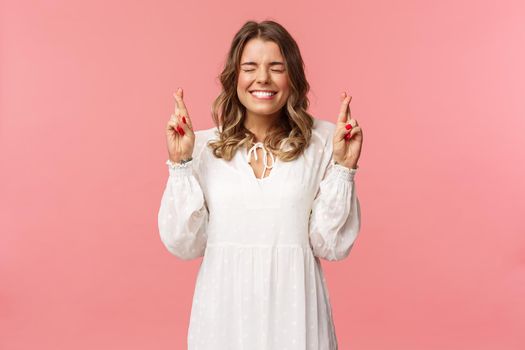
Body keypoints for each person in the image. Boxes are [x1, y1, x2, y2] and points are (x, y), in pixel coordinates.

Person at [158, 20, 363, 350]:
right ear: (234, 77)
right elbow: (184, 244)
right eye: (250, 67)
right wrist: (180, 165)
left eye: (276, 67)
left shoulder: (324, 141)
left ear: (292, 76)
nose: (262, 79)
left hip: (297, 317)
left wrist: (344, 167)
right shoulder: (202, 147)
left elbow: (331, 245)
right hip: (224, 319)